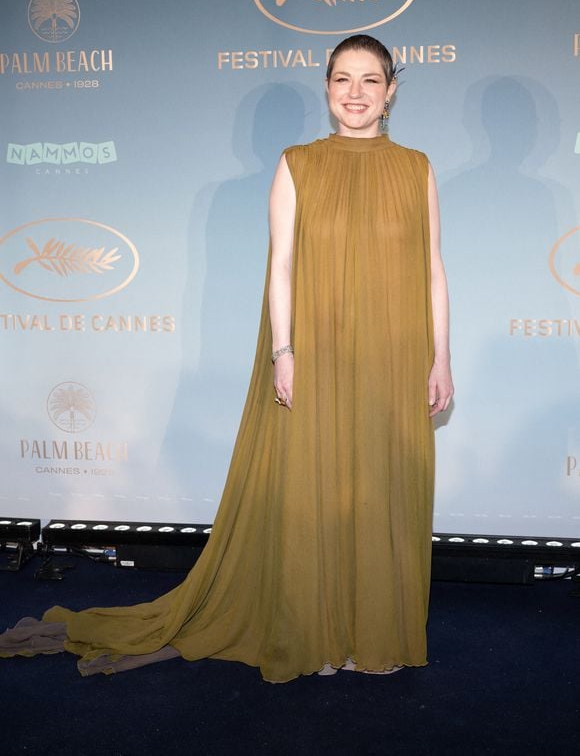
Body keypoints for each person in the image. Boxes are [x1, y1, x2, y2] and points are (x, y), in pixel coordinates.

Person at [0, 34, 453, 683]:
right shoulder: (297, 163)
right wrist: (284, 350)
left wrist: (441, 358)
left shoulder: (417, 167)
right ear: (327, 89)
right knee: (315, 494)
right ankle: (317, 635)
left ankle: (373, 635)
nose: (355, 93)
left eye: (370, 81)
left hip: (394, 352)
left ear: (392, 91)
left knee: (380, 488)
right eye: (342, 80)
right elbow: (285, 269)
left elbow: (432, 268)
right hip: (317, 351)